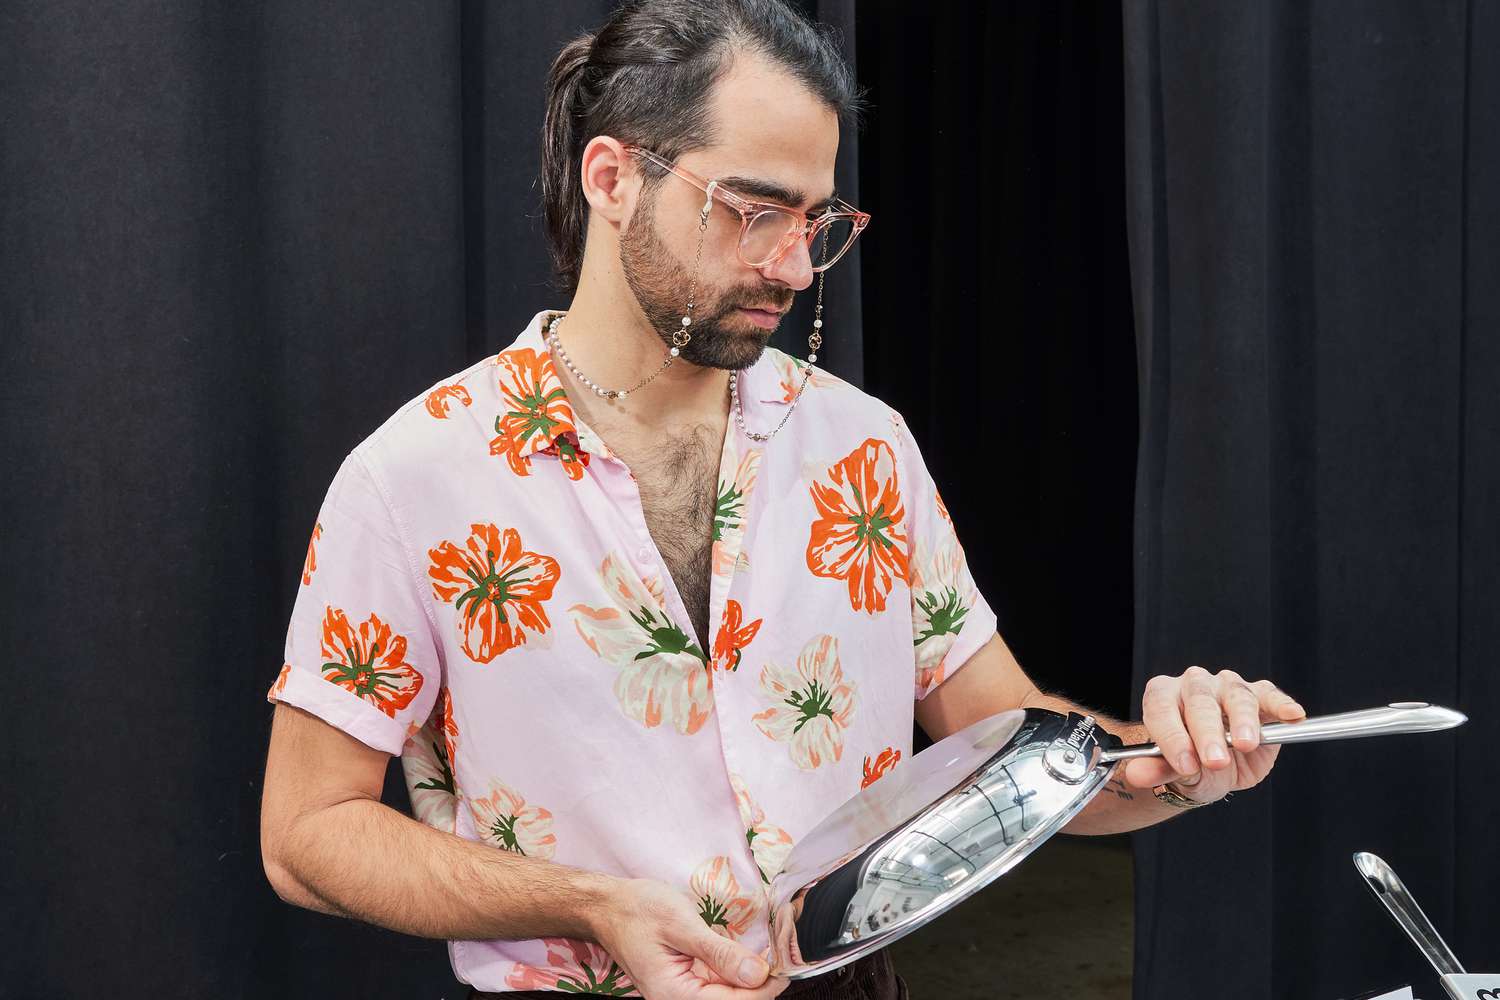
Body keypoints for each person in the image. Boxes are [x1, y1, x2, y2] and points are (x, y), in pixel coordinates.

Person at [258, 1, 1309, 997]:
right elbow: (306, 833)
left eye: (818, 220)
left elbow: (1014, 758)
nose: (796, 266)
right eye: (755, 212)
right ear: (613, 176)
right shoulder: (418, 476)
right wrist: (590, 906)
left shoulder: (863, 448)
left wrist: (1185, 764)